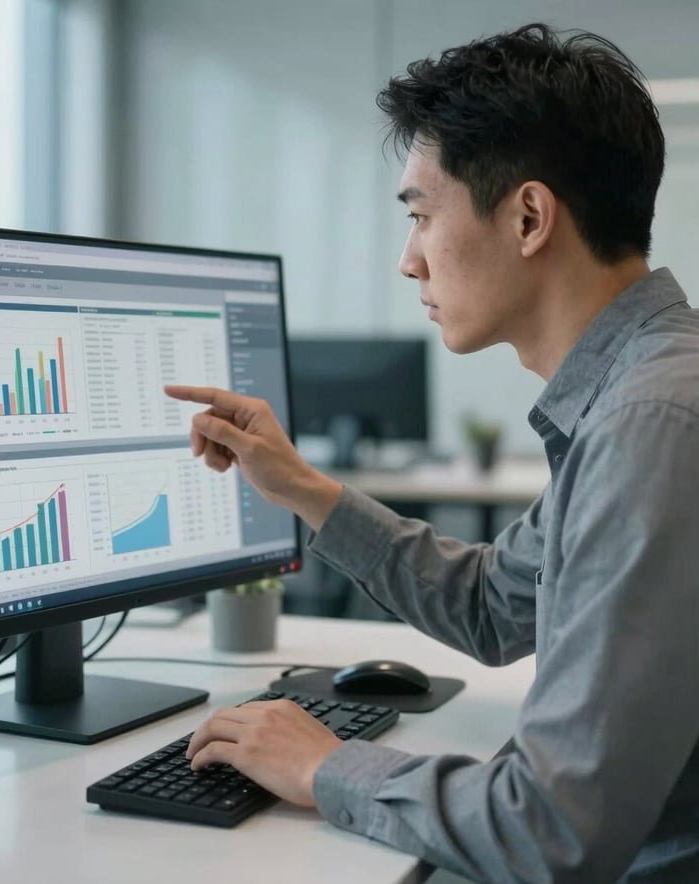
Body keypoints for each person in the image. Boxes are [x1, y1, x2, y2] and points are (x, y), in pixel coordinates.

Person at [165, 22, 699, 883]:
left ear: (529, 217)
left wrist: (323, 765)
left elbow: (553, 830)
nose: (408, 260)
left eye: (419, 214)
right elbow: (496, 607)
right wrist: (300, 485)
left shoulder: (653, 425)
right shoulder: (641, 393)